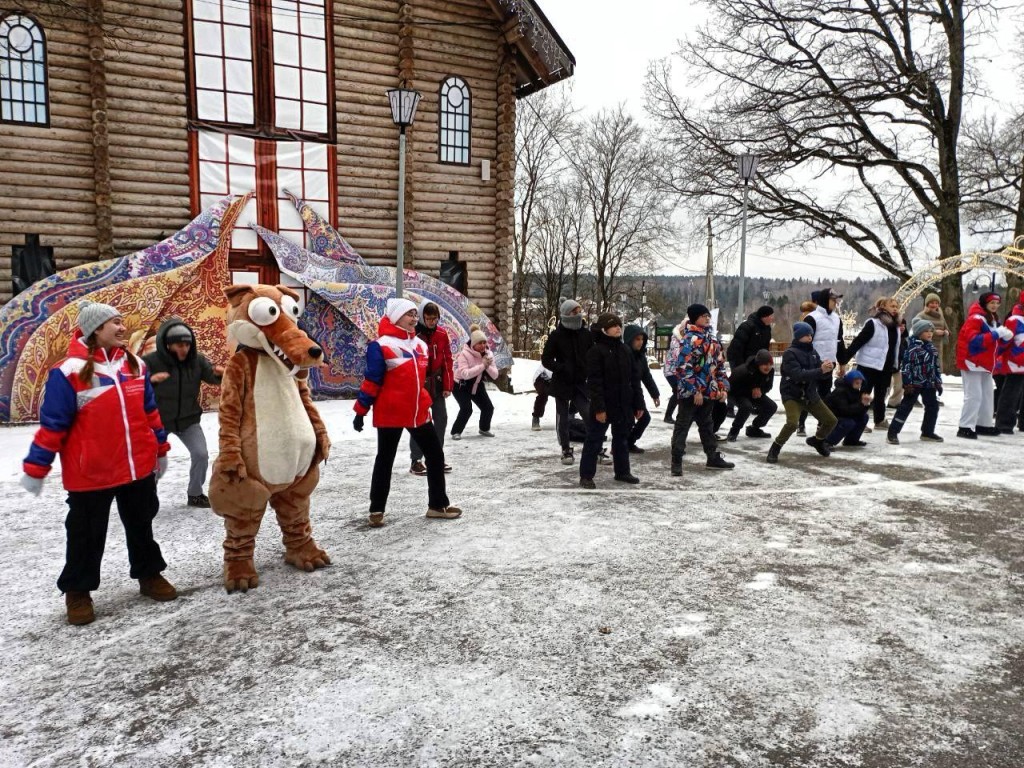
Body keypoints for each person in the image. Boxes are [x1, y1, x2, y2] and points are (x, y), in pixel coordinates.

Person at [20, 301, 177, 625]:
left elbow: (150, 412)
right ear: (95, 330)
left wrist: (160, 448)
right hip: (91, 472)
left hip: (136, 467)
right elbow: (54, 425)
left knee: (141, 525)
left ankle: (149, 575)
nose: (122, 328)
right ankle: (77, 591)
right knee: (86, 535)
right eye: (114, 323)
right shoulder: (68, 372)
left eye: (122, 322)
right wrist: (37, 467)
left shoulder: (134, 365)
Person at [353, 298, 461, 526]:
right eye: (408, 314)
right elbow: (372, 381)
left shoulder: (420, 345)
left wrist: (427, 399)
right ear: (395, 317)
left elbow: (421, 381)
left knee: (435, 454)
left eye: (415, 314)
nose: (414, 318)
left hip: (418, 412)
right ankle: (376, 510)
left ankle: (437, 505)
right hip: (391, 412)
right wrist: (361, 410)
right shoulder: (380, 345)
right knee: (385, 459)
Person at [143, 318, 223, 507]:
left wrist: (221, 375)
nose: (184, 349)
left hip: (188, 419)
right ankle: (146, 495)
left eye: (187, 344)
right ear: (168, 345)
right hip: (158, 421)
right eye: (180, 345)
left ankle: (195, 493)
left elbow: (211, 377)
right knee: (152, 462)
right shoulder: (149, 362)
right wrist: (151, 381)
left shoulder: (198, 360)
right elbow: (134, 387)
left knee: (201, 454)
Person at [579, 314, 644, 488]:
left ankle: (622, 472)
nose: (617, 328)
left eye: (619, 325)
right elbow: (594, 382)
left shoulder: (625, 350)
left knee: (622, 438)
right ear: (604, 329)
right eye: (613, 325)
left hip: (623, 404)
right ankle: (586, 475)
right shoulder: (596, 351)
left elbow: (634, 379)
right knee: (594, 439)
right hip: (603, 405)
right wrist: (599, 408)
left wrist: (639, 404)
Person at [670, 303, 733, 476]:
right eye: (704, 315)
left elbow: (718, 366)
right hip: (690, 392)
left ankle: (712, 457)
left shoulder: (712, 340)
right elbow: (683, 367)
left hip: (708, 391)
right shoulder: (690, 338)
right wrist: (695, 390)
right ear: (695, 317)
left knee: (707, 425)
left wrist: (723, 387)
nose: (707, 318)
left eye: (708, 315)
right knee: (683, 425)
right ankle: (676, 461)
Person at [767, 321, 838, 463]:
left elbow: (818, 373)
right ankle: (776, 446)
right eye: (806, 335)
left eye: (811, 335)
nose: (810, 338)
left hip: (810, 393)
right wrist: (821, 370)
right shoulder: (789, 353)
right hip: (792, 394)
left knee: (831, 420)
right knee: (792, 423)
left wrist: (827, 368)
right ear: (799, 336)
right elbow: (798, 375)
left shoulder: (813, 351)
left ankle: (818, 440)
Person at [541, 299, 594, 465]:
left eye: (579, 310)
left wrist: (589, 369)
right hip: (562, 382)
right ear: (566, 314)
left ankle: (595, 447)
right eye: (574, 311)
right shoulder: (556, 335)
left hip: (580, 382)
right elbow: (546, 359)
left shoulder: (586, 334)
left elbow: (592, 355)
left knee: (588, 413)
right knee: (563, 418)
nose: (578, 314)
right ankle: (565, 448)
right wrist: (561, 368)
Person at [955, 292, 1010, 439]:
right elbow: (974, 340)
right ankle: (965, 426)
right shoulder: (976, 319)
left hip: (985, 363)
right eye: (992, 302)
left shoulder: (991, 320)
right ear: (984, 303)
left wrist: (1004, 339)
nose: (995, 305)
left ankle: (983, 424)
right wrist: (996, 334)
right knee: (974, 395)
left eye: (997, 303)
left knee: (987, 395)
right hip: (972, 361)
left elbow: (994, 345)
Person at [408, 300, 454, 475]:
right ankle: (416, 460)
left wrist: (448, 385)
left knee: (440, 420)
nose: (432, 322)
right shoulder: (413, 334)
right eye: (428, 319)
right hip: (420, 383)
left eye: (434, 319)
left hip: (437, 382)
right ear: (422, 317)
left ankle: (436, 457)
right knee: (419, 421)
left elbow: (447, 360)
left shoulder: (442, 334)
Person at [844, 297, 901, 431]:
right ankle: (859, 421)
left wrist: (895, 363)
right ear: (882, 307)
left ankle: (879, 420)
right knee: (864, 393)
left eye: (896, 306)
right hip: (868, 364)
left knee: (881, 394)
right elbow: (858, 341)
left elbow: (895, 347)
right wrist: (844, 358)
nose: (895, 308)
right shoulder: (873, 323)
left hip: (885, 366)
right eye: (891, 306)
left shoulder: (895, 327)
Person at [887, 318, 944, 443]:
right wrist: (907, 384)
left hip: (929, 384)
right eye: (926, 331)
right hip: (914, 384)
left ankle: (927, 432)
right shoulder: (913, 348)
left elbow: (936, 367)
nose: (930, 333)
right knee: (905, 407)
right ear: (918, 332)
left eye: (931, 331)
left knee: (932, 407)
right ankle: (892, 432)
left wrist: (938, 381)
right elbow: (906, 367)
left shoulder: (932, 349)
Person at [800, 288, 845, 436]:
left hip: (829, 363)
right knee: (808, 394)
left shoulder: (837, 319)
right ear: (826, 300)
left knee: (825, 396)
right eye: (833, 300)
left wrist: (841, 362)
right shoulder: (811, 318)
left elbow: (839, 342)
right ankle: (801, 423)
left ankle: (822, 426)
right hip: (813, 363)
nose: (836, 303)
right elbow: (803, 342)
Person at [451, 324, 499, 439]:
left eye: (484, 342)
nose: (483, 345)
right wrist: (483, 366)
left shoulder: (488, 354)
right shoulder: (464, 354)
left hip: (476, 384)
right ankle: (456, 432)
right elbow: (465, 374)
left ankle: (484, 429)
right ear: (473, 344)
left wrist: (487, 366)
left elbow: (495, 375)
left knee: (488, 407)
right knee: (467, 408)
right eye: (480, 343)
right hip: (460, 385)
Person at [624, 324, 661, 453]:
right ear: (630, 339)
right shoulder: (625, 355)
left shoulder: (641, 357)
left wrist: (655, 394)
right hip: (624, 395)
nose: (640, 342)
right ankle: (620, 445)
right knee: (626, 422)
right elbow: (631, 381)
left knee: (644, 418)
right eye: (637, 339)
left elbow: (646, 377)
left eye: (642, 339)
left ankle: (628, 442)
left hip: (635, 394)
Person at [726, 349, 777, 441]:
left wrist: (760, 390)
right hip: (736, 393)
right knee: (746, 406)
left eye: (770, 364)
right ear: (758, 364)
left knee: (771, 406)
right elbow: (730, 388)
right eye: (765, 364)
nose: (768, 367)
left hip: (754, 394)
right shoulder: (743, 371)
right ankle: (734, 431)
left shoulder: (770, 372)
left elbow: (768, 386)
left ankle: (754, 429)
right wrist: (751, 390)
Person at [993, 300, 1024, 434]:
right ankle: (1004, 423)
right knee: (1011, 393)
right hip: (1016, 361)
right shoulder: (1014, 320)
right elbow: (1005, 341)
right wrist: (996, 357)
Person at [824, 370, 871, 448]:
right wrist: (862, 404)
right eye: (857, 383)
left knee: (864, 417)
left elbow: (858, 411)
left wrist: (865, 404)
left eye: (860, 383)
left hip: (843, 415)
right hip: (832, 416)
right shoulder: (840, 391)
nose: (859, 386)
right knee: (848, 422)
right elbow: (844, 411)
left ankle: (851, 440)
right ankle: (828, 441)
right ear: (850, 382)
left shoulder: (856, 391)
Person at [726, 305, 774, 371]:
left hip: (753, 361)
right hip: (738, 359)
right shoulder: (747, 326)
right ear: (765, 317)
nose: (772, 318)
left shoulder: (767, 329)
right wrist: (742, 367)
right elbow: (737, 347)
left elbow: (765, 348)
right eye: (771, 316)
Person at [914, 292, 950, 372]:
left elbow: (945, 327)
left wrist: (946, 332)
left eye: (936, 303)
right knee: (926, 369)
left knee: (936, 369)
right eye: (932, 303)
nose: (934, 305)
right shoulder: (922, 315)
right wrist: (934, 331)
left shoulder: (940, 315)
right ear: (927, 304)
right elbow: (915, 326)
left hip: (938, 346)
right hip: (925, 346)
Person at [662, 320, 686, 423]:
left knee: (679, 392)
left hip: (679, 371)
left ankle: (682, 415)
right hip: (671, 371)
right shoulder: (676, 340)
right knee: (678, 391)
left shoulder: (684, 340)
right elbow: (679, 355)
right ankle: (668, 416)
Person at [886, 317, 908, 408]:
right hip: (887, 366)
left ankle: (894, 402)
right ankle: (877, 401)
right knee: (887, 385)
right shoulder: (890, 338)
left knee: (900, 385)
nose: (902, 327)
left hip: (898, 367)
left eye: (904, 326)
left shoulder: (904, 341)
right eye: (900, 325)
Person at [532, 362, 552, 430]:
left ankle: (569, 417)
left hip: (556, 379)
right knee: (543, 394)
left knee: (566, 395)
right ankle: (535, 418)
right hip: (541, 378)